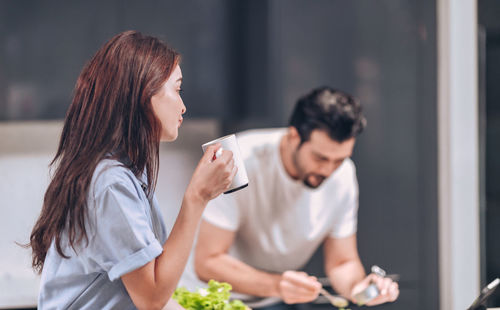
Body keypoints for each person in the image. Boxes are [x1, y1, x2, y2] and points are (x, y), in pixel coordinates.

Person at [28, 30, 236, 310]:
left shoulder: (123, 170)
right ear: (145, 92)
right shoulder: (110, 182)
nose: (184, 106)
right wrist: (197, 196)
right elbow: (151, 297)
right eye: (177, 89)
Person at [189, 87, 399, 309]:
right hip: (211, 298)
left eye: (339, 160)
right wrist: (278, 285)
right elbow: (208, 262)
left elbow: (342, 262)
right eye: (320, 158)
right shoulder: (238, 160)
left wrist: (359, 290)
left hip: (277, 299)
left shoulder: (343, 174)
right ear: (293, 136)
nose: (328, 170)